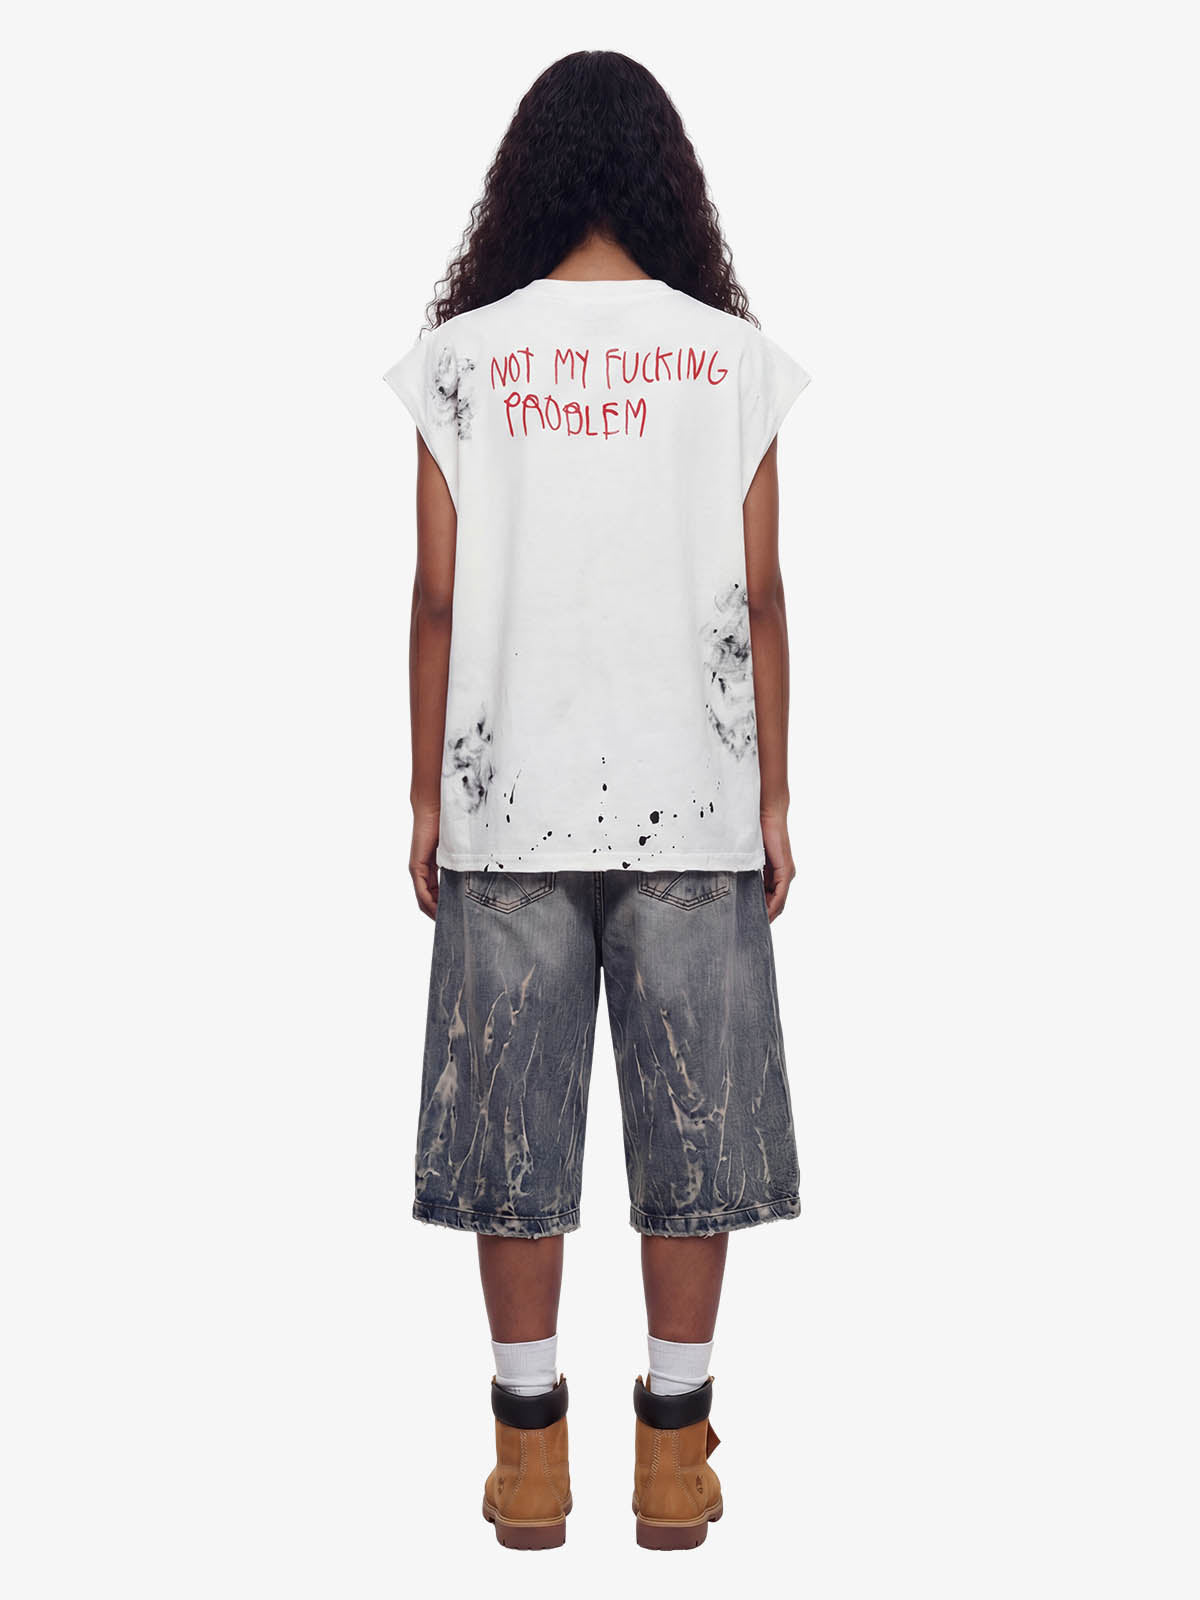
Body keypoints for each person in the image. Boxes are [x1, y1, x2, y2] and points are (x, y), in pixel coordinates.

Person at [383, 50, 810, 1551]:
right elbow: (761, 592)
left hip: (506, 797)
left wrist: (423, 798)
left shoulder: (462, 360)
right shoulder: (729, 358)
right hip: (694, 797)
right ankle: (675, 1462)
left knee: (511, 1128)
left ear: (528, 179)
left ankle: (528, 1464)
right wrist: (774, 798)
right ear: (664, 179)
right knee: (697, 1127)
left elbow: (436, 596)